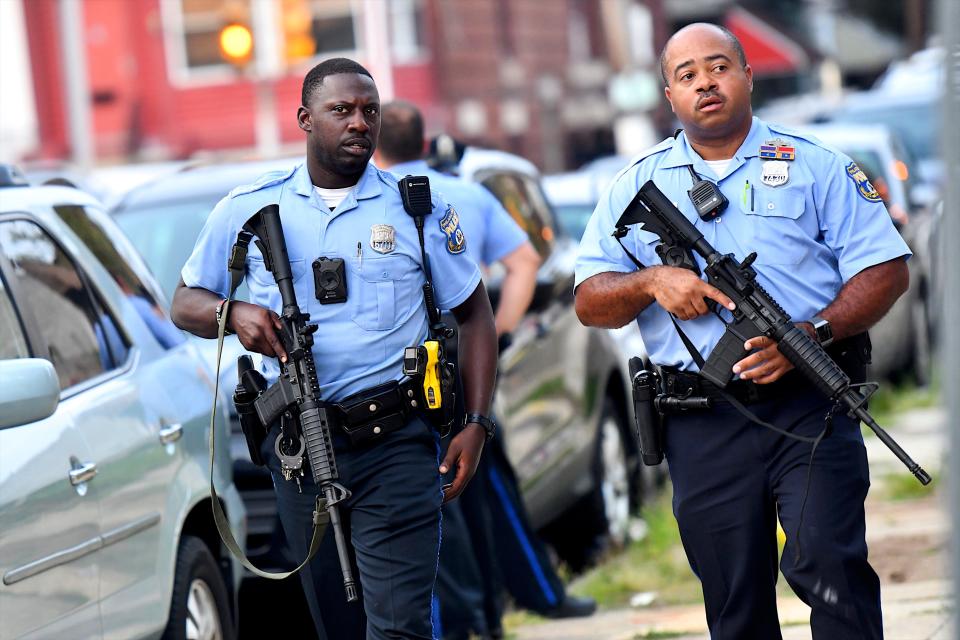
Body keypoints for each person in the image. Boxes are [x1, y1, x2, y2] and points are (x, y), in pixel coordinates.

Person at [574, 23, 910, 639]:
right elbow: (590, 300)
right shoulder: (632, 185)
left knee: (832, 569)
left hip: (810, 405)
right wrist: (651, 282)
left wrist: (809, 335)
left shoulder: (816, 165)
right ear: (669, 96)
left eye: (719, 66)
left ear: (749, 76)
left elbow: (885, 269)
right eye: (687, 74)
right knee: (734, 596)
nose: (706, 82)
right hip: (701, 421)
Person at [170, 58, 498, 640]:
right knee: (339, 626)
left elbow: (474, 315)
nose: (358, 123)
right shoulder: (248, 207)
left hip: (396, 442)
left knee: (399, 627)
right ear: (304, 118)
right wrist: (235, 312)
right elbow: (185, 302)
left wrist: (475, 422)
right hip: (298, 447)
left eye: (369, 111)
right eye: (341, 110)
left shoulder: (415, 211)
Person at [375, 101, 595, 639]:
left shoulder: (371, 199)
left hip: (403, 367)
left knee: (426, 497)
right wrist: (495, 335)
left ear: (376, 146)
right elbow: (525, 262)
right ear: (426, 142)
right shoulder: (467, 194)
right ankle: (530, 600)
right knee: (486, 481)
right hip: (460, 354)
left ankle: (463, 621)